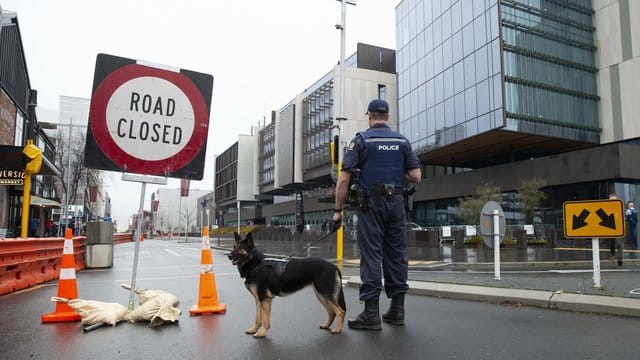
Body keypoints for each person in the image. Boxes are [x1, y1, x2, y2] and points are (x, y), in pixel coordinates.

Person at [333, 99, 421, 330]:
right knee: (397, 254)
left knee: (372, 255)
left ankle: (371, 314)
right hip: (397, 204)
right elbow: (416, 176)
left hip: (370, 204)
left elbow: (344, 179)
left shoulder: (361, 141)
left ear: (370, 116)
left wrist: (337, 211)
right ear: (387, 116)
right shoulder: (402, 141)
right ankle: (397, 311)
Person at [609, 194, 624, 266]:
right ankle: (612, 254)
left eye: (614, 199)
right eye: (611, 199)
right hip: (610, 229)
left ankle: (619, 259)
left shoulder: (620, 206)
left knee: (619, 244)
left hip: (619, 229)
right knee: (612, 244)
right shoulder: (607, 207)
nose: (613, 201)